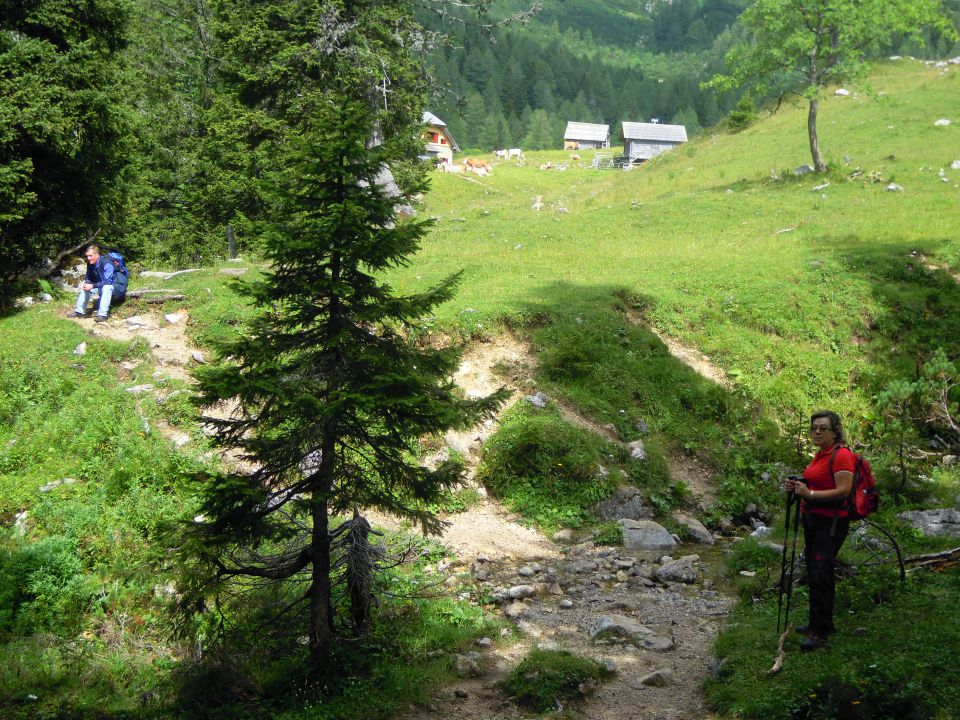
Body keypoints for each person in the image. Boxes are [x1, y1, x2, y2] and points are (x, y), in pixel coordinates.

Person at [784, 410, 854, 651]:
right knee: (816, 572)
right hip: (814, 520)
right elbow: (815, 481)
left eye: (822, 428)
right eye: (814, 427)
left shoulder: (842, 455)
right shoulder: (820, 455)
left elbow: (844, 490)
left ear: (835, 431)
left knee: (821, 573)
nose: (817, 431)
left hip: (831, 523)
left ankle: (819, 632)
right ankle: (821, 622)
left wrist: (809, 494)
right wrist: (798, 486)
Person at [67, 244, 128, 322]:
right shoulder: (90, 263)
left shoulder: (107, 263)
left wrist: (92, 286)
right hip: (104, 285)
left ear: (97, 255)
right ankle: (79, 312)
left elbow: (107, 282)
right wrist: (86, 284)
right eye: (87, 256)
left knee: (107, 287)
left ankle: (102, 315)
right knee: (85, 287)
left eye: (90, 256)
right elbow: (88, 277)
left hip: (118, 286)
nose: (88, 258)